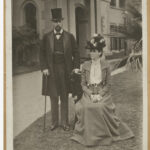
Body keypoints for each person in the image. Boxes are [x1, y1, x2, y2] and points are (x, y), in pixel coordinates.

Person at [71, 34, 134, 146]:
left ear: (100, 52)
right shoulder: (85, 65)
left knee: (100, 106)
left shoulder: (106, 65)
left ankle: (103, 136)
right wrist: (90, 94)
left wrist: (100, 94)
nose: (91, 53)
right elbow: (83, 84)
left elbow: (109, 84)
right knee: (87, 107)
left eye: (94, 51)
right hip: (89, 91)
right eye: (91, 51)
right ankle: (89, 137)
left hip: (102, 92)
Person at [40, 8, 80, 131]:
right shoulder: (46, 37)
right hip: (51, 70)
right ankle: (54, 122)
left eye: (59, 21)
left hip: (65, 69)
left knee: (63, 96)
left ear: (62, 22)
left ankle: (64, 122)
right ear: (52, 22)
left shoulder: (69, 36)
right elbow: (41, 53)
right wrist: (44, 67)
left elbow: (76, 52)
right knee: (53, 96)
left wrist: (76, 67)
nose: (57, 24)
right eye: (55, 21)